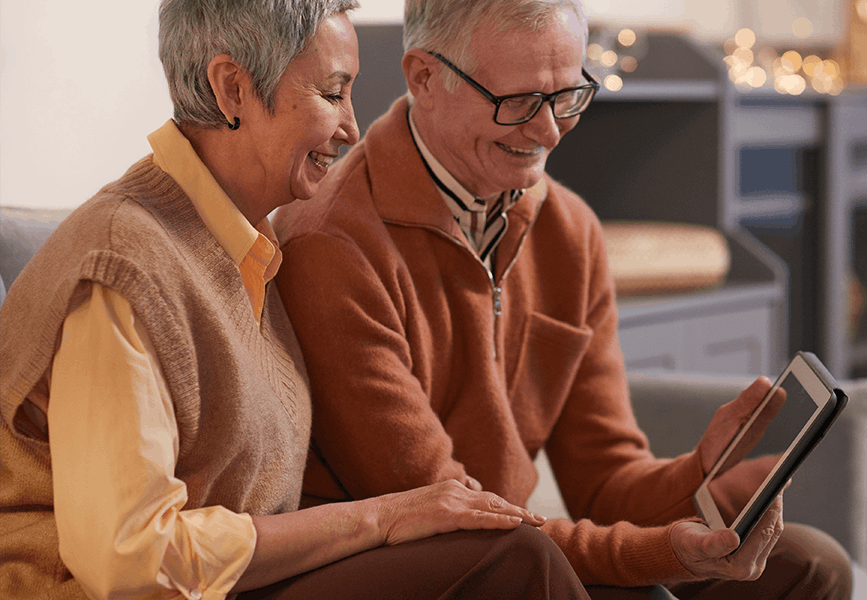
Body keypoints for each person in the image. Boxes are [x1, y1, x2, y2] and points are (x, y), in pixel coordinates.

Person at [0, 1, 589, 598]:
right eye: (332, 94)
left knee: (521, 559)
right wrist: (379, 518)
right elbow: (129, 559)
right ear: (233, 89)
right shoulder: (123, 265)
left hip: (241, 585)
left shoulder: (247, 247)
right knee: (513, 561)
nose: (352, 128)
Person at [272, 0, 855, 597]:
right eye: (519, 102)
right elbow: (457, 518)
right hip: (420, 563)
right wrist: (660, 554)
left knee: (811, 565)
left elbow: (604, 482)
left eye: (568, 95)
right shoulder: (333, 247)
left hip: (517, 550)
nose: (549, 131)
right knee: (563, 568)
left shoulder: (569, 231)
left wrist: (701, 472)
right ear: (424, 77)